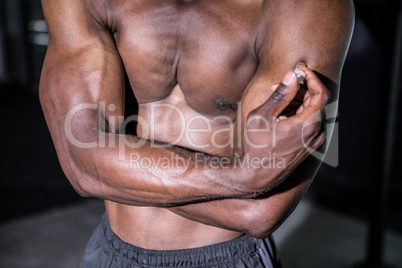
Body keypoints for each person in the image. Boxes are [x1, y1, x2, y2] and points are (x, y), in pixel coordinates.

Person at [40, 0, 354, 267]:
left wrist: (110, 167)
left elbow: (259, 210)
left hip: (226, 258)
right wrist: (242, 177)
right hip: (111, 251)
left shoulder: (306, 7)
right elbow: (82, 162)